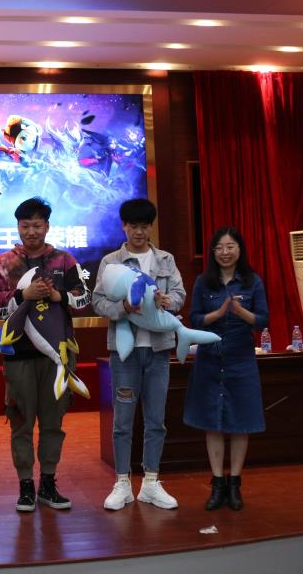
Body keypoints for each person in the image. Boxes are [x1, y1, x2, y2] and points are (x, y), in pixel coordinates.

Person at [0, 197, 90, 513]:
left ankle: (48, 483)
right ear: (18, 227)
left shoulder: (64, 260)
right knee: (20, 422)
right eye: (25, 226)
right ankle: (25, 487)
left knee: (53, 422)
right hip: (18, 355)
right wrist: (24, 294)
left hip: (57, 357)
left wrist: (59, 295)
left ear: (47, 226)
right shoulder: (4, 262)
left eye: (37, 225)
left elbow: (84, 299)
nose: (31, 231)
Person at [91, 198, 185, 511]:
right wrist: (122, 307)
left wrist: (167, 301)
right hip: (125, 353)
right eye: (133, 226)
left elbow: (180, 295)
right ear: (124, 226)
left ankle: (151, 483)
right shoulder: (111, 262)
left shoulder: (165, 260)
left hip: (158, 350)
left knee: (156, 419)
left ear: (151, 227)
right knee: (123, 421)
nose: (139, 232)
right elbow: (98, 302)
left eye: (145, 226)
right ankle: (122, 483)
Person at [184, 227, 267, 511]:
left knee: (241, 422)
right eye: (219, 248)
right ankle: (217, 483)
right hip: (209, 359)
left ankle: (235, 484)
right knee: (212, 421)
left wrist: (240, 312)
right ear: (213, 252)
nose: (225, 252)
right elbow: (194, 320)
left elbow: (263, 320)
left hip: (241, 360)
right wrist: (219, 313)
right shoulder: (203, 282)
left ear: (239, 250)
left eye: (230, 246)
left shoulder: (252, 281)